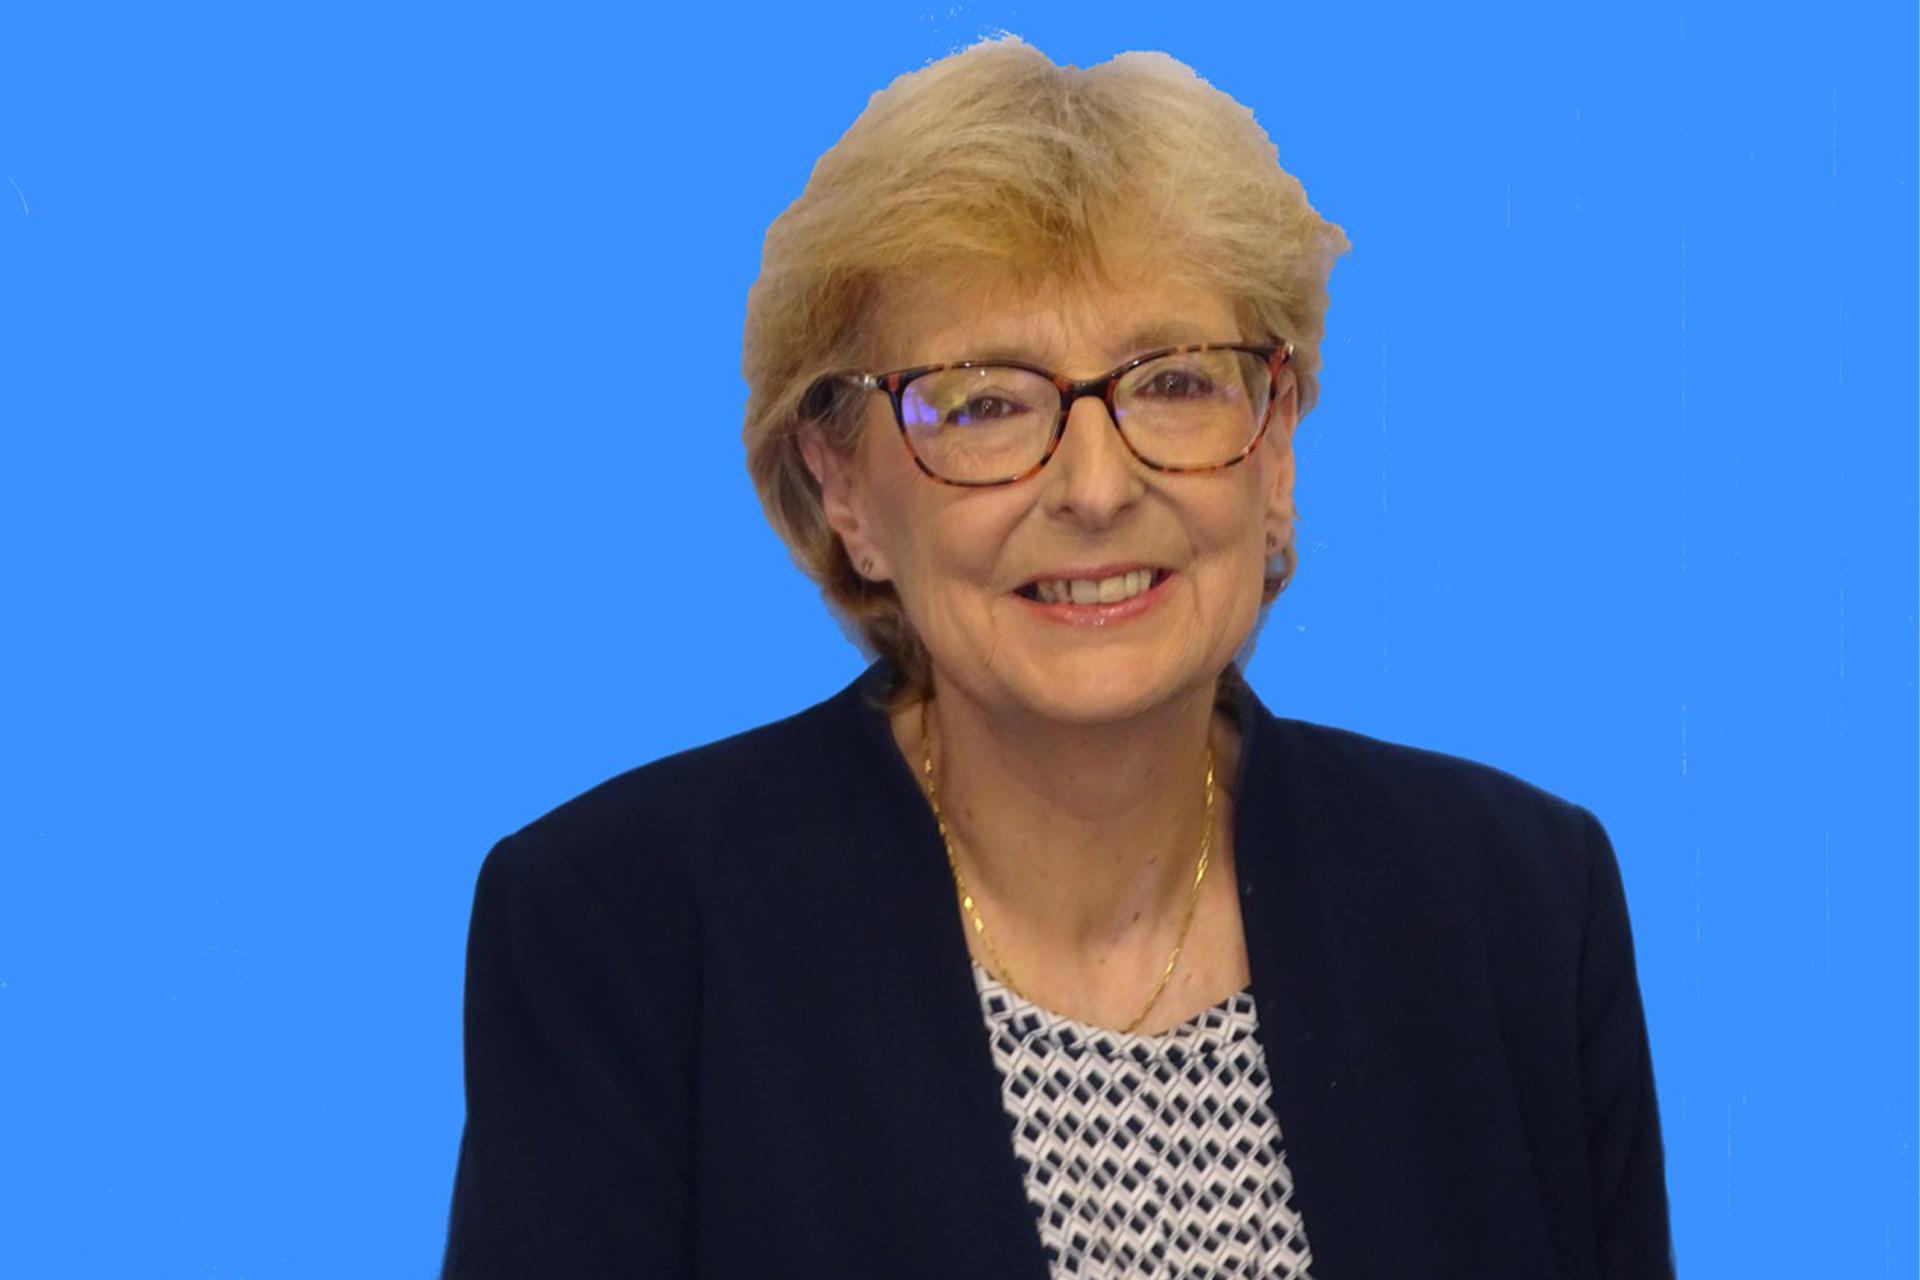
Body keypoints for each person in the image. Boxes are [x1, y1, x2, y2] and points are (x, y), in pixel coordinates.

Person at [440, 37, 1673, 1280]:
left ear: (1277, 442)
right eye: (983, 404)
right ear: (843, 484)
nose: (1095, 487)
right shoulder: (623, 935)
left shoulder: (1516, 906)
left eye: (1177, 381)